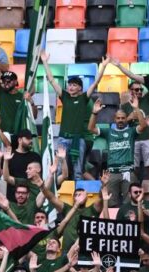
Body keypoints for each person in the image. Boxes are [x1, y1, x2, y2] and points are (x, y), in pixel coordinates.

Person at [41, 50, 110, 180]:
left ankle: (78, 192)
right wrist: (45, 62)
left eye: (74, 85)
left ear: (80, 88)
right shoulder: (65, 97)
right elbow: (51, 80)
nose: (70, 87)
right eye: (69, 85)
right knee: (59, 170)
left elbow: (95, 83)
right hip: (63, 138)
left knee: (78, 171)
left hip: (79, 139)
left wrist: (104, 66)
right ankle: (60, 191)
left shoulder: (84, 98)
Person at [88, 96, 149, 207]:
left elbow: (144, 126)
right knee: (110, 203)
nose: (120, 120)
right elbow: (91, 128)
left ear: (126, 119)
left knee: (130, 204)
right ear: (114, 119)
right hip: (112, 173)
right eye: (118, 118)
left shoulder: (131, 132)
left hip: (128, 172)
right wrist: (94, 113)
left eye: (123, 118)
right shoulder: (108, 132)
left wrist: (136, 108)